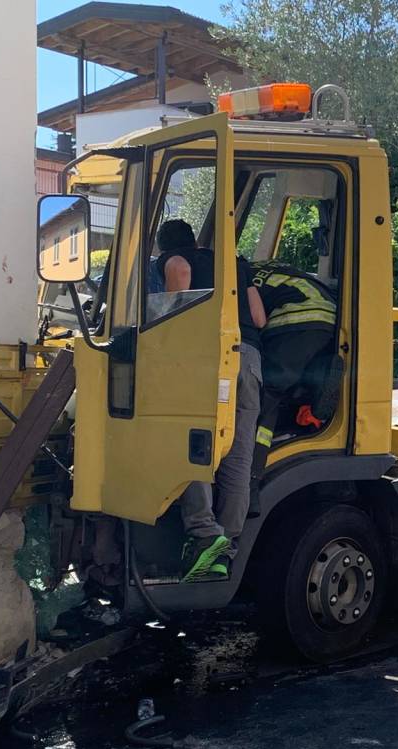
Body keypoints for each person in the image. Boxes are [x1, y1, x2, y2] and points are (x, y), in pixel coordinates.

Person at [155, 219, 267, 582]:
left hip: (210, 357)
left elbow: (181, 272)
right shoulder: (234, 262)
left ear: (164, 246)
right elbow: (259, 318)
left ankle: (205, 535)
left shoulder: (174, 259)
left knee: (194, 443)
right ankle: (228, 547)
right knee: (238, 453)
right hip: (249, 360)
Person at [249, 261, 337, 464]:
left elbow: (253, 322)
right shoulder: (252, 269)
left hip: (297, 316)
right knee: (287, 378)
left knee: (264, 389)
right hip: (324, 315)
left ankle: (255, 459)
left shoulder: (226, 280)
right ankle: (310, 406)